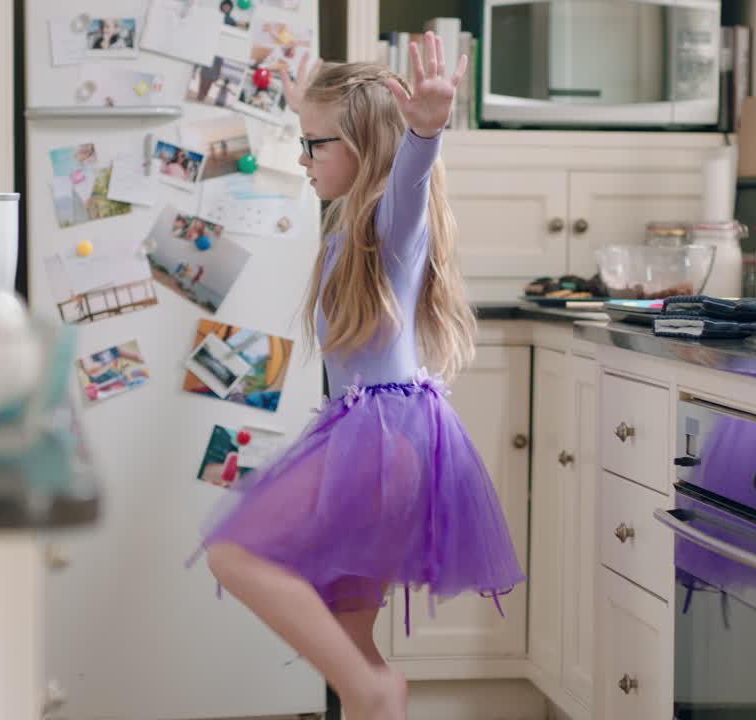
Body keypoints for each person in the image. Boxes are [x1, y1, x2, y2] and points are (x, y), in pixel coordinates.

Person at [187, 33, 524, 720]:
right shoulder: (348, 229)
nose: (303, 158)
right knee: (351, 643)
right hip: (373, 437)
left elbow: (411, 177)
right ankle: (371, 693)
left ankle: (371, 692)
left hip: (380, 443)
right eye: (301, 141)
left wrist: (423, 132)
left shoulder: (390, 225)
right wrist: (309, 114)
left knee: (232, 553)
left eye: (316, 144)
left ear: (366, 146)